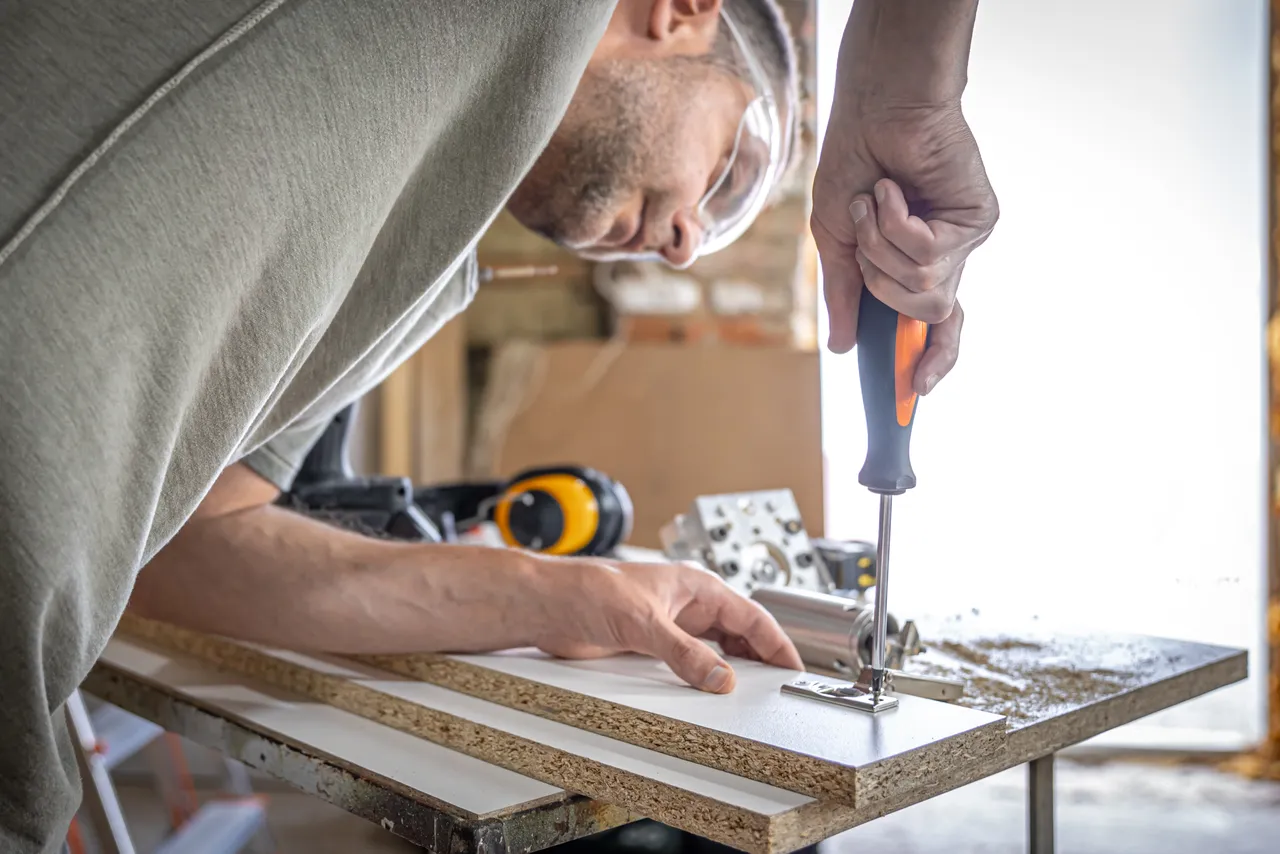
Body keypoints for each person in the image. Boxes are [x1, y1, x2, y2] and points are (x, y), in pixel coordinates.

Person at [0, 0, 997, 849]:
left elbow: (190, 543)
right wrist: (903, 91)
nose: (691, 244)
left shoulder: (424, 268)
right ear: (678, 10)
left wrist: (563, 595)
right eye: (729, 165)